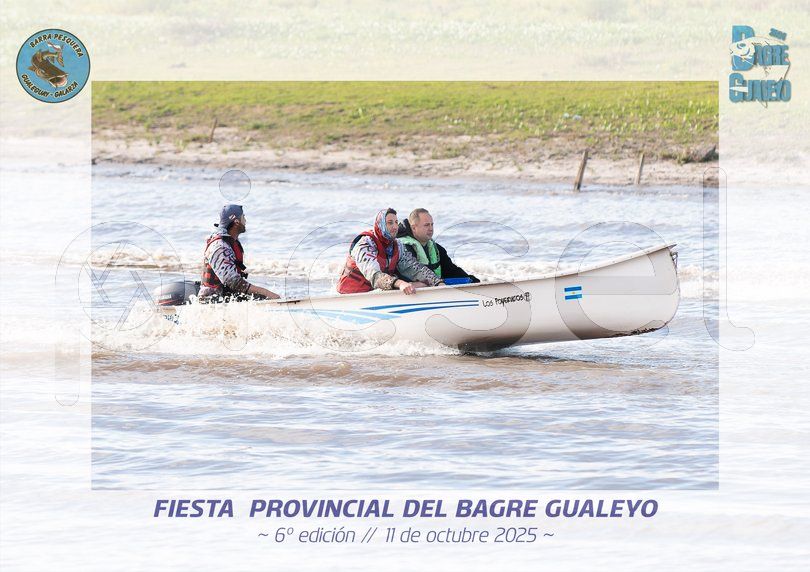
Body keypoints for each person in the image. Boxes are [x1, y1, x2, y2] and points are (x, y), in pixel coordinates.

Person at [337, 208, 444, 295]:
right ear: (381, 224)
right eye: (390, 223)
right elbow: (374, 276)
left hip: (375, 293)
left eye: (396, 222)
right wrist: (400, 283)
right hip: (350, 296)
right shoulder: (365, 244)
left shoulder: (397, 245)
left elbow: (415, 268)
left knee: (423, 283)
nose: (395, 227)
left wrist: (437, 283)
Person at [198, 204, 280, 302]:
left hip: (225, 296)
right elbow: (233, 282)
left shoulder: (230, 241)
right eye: (243, 217)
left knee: (264, 296)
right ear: (236, 222)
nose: (245, 221)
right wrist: (266, 293)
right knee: (267, 296)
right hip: (211, 300)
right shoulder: (220, 247)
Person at [397, 208, 480, 283]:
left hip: (435, 285)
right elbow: (413, 272)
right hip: (410, 289)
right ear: (414, 228)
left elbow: (451, 270)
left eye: (432, 224)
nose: (431, 228)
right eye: (426, 225)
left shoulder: (437, 248)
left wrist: (472, 280)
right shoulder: (403, 248)